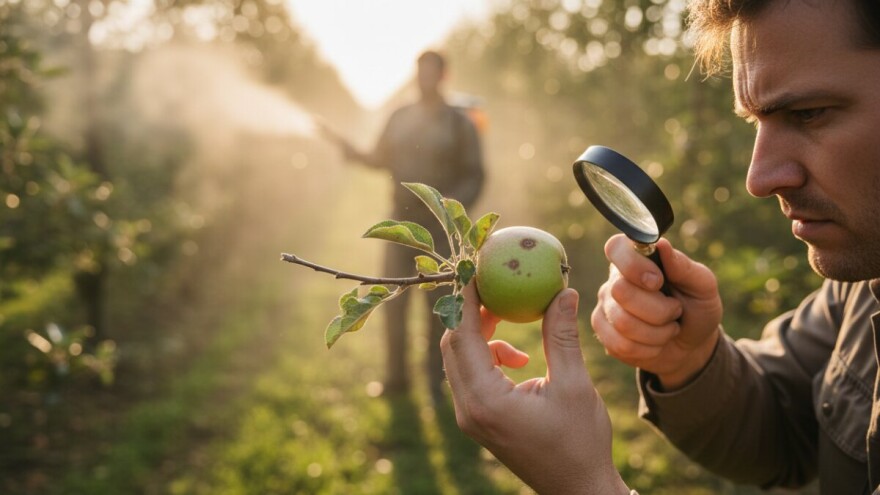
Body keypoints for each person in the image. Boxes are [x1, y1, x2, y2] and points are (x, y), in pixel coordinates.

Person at [440, 0, 880, 494]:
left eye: (808, 113)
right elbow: (789, 427)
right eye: (755, 122)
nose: (758, 178)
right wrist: (689, 362)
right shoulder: (863, 286)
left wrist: (584, 484)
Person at [320, 50, 485, 398]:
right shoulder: (399, 117)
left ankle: (438, 384)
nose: (424, 78)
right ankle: (396, 381)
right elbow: (378, 158)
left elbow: (475, 174)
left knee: (439, 310)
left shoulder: (460, 123)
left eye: (431, 72)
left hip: (440, 232)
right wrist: (346, 147)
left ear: (444, 75)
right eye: (419, 72)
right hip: (400, 226)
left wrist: (450, 210)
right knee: (391, 302)